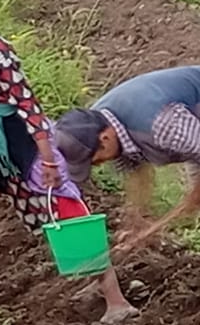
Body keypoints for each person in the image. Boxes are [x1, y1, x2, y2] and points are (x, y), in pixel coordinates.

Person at [0, 0, 136, 324]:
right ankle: (96, 285)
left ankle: (117, 300)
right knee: (49, 222)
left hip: (30, 149)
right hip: (5, 150)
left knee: (71, 218)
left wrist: (50, 161)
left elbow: (28, 107)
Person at [53, 67, 200, 252]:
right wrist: (135, 221)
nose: (97, 165)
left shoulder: (162, 126)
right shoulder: (97, 124)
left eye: (93, 160)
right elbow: (136, 173)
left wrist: (169, 218)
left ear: (105, 139)